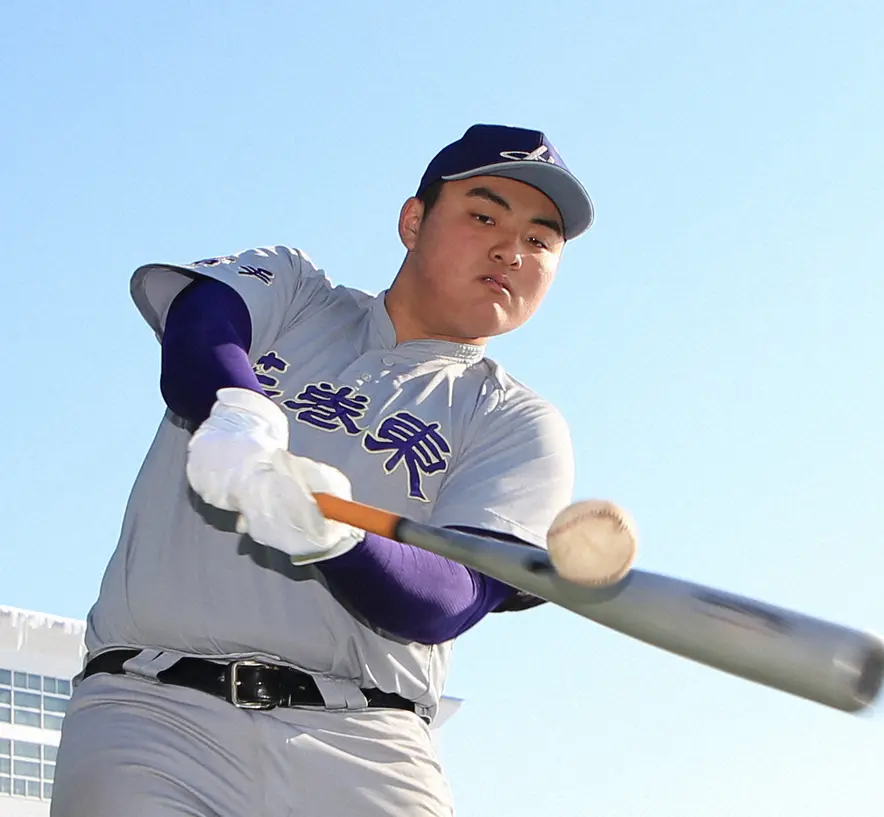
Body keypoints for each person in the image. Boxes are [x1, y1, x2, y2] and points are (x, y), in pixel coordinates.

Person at [49, 123, 594, 817]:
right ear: (413, 221)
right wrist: (236, 409)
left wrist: (336, 539)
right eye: (484, 217)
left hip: (368, 743)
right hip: (156, 716)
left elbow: (450, 596)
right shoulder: (297, 290)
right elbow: (200, 326)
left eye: (540, 240)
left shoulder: (518, 421)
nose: (511, 250)